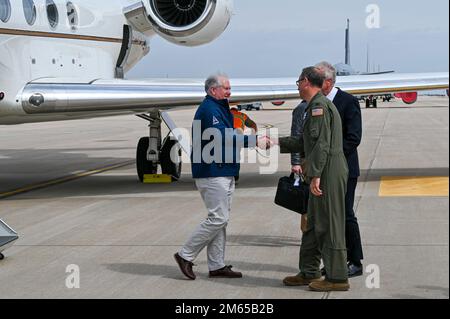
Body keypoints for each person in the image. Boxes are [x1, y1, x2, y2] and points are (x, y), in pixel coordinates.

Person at [271, 66, 350, 291]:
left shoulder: (319, 107)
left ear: (306, 81)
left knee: (330, 224)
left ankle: (337, 278)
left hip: (327, 172)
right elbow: (307, 142)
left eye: (298, 82)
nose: (297, 86)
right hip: (321, 169)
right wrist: (276, 141)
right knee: (314, 224)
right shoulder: (314, 106)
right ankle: (309, 271)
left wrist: (315, 175)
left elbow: (321, 145)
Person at [174, 74, 258, 280]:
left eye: (229, 88)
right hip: (212, 172)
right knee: (218, 218)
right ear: (213, 90)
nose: (229, 92)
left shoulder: (221, 107)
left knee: (221, 220)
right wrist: (253, 140)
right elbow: (222, 136)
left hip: (224, 170)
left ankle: (217, 265)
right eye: (226, 88)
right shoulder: (209, 109)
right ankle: (185, 255)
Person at [315, 61, 364, 277]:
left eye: (316, 79)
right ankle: (336, 260)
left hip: (344, 169)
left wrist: (331, 158)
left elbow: (354, 138)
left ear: (328, 81)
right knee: (330, 217)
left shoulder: (348, 102)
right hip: (324, 171)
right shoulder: (318, 103)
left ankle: (355, 261)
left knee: (345, 215)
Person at [290, 101, 309, 232]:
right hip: (306, 159)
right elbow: (295, 136)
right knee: (308, 197)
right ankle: (307, 232)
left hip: (321, 160)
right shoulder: (302, 108)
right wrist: (296, 162)